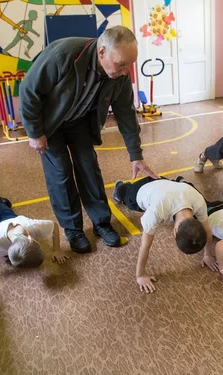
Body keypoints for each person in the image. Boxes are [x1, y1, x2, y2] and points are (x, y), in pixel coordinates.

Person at [19, 26, 157, 254]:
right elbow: (29, 90)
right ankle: (73, 229)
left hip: (80, 121)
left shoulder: (119, 73)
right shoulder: (62, 55)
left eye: (129, 65)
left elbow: (125, 112)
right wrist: (34, 133)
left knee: (89, 168)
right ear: (101, 52)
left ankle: (101, 222)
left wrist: (136, 154)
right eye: (121, 64)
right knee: (61, 174)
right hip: (50, 125)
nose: (125, 71)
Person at [112, 176, 218, 293]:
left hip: (165, 184)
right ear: (175, 231)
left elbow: (207, 229)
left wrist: (208, 255)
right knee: (125, 195)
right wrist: (140, 276)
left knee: (163, 191)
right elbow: (145, 246)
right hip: (141, 190)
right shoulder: (156, 211)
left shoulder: (198, 201)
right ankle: (120, 187)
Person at [0, 195, 68, 293]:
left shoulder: (32, 226)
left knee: (6, 211)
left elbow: (54, 226)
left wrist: (57, 250)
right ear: (30, 239)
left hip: (14, 220)